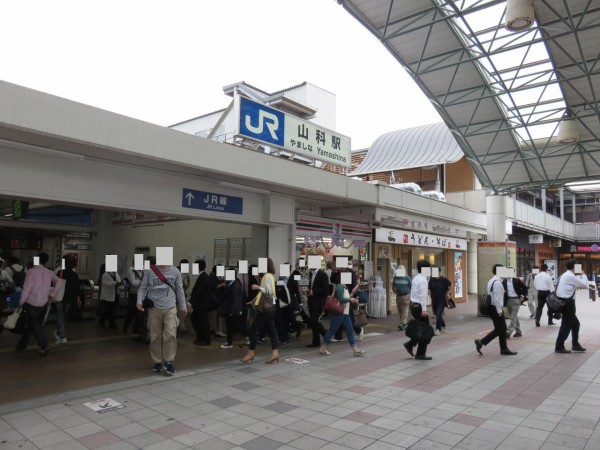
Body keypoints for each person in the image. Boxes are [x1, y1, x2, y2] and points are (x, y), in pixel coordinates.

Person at [136, 257, 187, 374]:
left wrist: (183, 306)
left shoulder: (175, 272)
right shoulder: (149, 271)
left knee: (170, 333)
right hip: (154, 308)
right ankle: (157, 361)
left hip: (170, 307)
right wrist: (139, 301)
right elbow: (142, 288)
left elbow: (180, 289)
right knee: (155, 336)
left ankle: (168, 361)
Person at [15, 252, 62, 356]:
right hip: (43, 303)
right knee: (31, 324)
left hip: (31, 303)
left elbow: (27, 289)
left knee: (33, 324)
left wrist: (21, 302)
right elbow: (59, 282)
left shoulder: (31, 272)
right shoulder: (49, 272)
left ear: (37, 260)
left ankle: (44, 345)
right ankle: (21, 345)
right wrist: (52, 294)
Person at [241, 257, 280, 364]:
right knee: (271, 331)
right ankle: (275, 353)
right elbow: (266, 294)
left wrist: (257, 287)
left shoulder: (266, 276)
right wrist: (253, 301)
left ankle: (251, 353)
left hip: (266, 309)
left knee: (253, 329)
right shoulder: (271, 276)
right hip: (272, 307)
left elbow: (269, 292)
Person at [474, 264, 517, 356]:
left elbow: (493, 294)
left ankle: (504, 349)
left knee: (502, 329)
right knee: (500, 329)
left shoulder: (492, 280)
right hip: (495, 308)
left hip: (492, 307)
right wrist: (499, 310)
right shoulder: (497, 282)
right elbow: (497, 298)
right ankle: (481, 342)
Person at [319, 279, 365, 357]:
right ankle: (323, 347)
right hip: (339, 313)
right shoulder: (340, 286)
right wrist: (351, 299)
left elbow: (345, 298)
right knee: (332, 331)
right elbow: (341, 299)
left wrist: (352, 295)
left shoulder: (345, 287)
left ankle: (355, 349)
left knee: (350, 331)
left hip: (345, 314)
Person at [554, 259, 588, 354]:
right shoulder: (570, 276)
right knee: (566, 325)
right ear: (574, 267)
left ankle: (575, 345)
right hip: (567, 303)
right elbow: (585, 285)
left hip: (564, 301)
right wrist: (583, 274)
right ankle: (559, 346)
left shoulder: (565, 275)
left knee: (575, 324)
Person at [403, 260, 433, 360]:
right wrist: (424, 310)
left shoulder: (416, 278)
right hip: (420, 307)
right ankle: (418, 351)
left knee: (422, 329)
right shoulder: (423, 280)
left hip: (414, 305)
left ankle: (412, 346)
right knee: (426, 330)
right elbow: (423, 296)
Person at [53, 256, 81, 344]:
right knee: (64, 315)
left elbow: (54, 284)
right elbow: (77, 288)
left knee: (60, 315)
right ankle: (61, 334)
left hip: (60, 297)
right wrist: (78, 299)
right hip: (69, 298)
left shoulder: (60, 272)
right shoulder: (74, 274)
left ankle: (61, 334)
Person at [220, 271, 248, 348]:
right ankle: (229, 342)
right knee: (229, 325)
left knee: (236, 325)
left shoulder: (236, 285)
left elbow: (236, 300)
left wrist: (232, 311)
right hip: (230, 309)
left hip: (234, 310)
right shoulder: (231, 283)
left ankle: (249, 335)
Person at [189, 260, 212, 346]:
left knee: (202, 322)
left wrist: (191, 301)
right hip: (200, 304)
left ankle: (206, 340)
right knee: (196, 320)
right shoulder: (202, 276)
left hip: (202, 304)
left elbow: (199, 290)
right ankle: (200, 338)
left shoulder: (203, 276)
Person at [305, 264, 329, 348]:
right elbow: (311, 286)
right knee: (313, 322)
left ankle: (326, 334)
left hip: (319, 302)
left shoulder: (323, 274)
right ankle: (316, 342)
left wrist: (314, 292)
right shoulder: (311, 274)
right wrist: (309, 291)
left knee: (313, 321)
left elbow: (326, 289)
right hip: (311, 301)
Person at [98, 264, 122, 330]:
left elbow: (119, 280)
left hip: (115, 294)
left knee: (108, 310)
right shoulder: (105, 274)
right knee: (110, 310)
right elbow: (105, 284)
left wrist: (117, 282)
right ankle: (112, 324)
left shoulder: (116, 273)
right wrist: (115, 283)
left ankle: (101, 320)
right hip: (107, 296)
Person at [428, 267, 451, 335]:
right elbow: (429, 288)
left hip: (442, 299)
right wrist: (429, 292)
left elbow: (450, 285)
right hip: (434, 299)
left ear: (439, 272)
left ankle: (438, 329)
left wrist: (447, 292)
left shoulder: (444, 280)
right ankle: (443, 324)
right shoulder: (431, 280)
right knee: (437, 314)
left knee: (438, 314)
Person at [123, 260, 144, 334]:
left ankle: (136, 328)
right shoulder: (132, 272)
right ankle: (125, 327)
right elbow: (134, 283)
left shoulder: (143, 272)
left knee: (140, 312)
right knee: (131, 312)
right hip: (134, 294)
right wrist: (141, 280)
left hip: (141, 295)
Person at [392, 266, 412, 331]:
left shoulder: (407, 278)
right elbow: (393, 285)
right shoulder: (395, 278)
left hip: (406, 296)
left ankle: (402, 323)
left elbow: (411, 286)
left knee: (405, 310)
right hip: (398, 296)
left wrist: (410, 294)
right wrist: (394, 291)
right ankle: (404, 323)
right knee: (400, 310)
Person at [176, 259, 191, 333]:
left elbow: (187, 280)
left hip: (181, 293)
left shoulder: (184, 271)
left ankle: (181, 326)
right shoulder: (177, 271)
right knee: (179, 311)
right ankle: (180, 326)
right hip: (177, 295)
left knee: (181, 311)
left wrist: (186, 287)